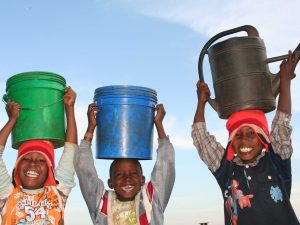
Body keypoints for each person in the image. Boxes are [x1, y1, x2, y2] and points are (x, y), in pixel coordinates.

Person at [192, 51, 299, 225]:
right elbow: (200, 138)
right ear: (231, 143)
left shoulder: (277, 161)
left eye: (251, 133)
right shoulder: (225, 170)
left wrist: (285, 80)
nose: (244, 141)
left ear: (263, 138)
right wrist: (201, 102)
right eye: (238, 135)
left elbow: (282, 123)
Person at [74, 103, 175, 225]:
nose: (127, 179)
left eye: (133, 173)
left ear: (142, 180)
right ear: (110, 183)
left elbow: (166, 164)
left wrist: (158, 124)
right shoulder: (101, 202)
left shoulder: (150, 199)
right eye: (119, 175)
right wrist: (91, 127)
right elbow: (84, 169)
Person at [0, 87, 78, 225]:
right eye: (26, 158)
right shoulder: (7, 195)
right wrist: (12, 120)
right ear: (16, 167)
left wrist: (69, 109)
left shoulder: (57, 194)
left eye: (41, 160)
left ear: (49, 170)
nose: (32, 164)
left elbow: (71, 153)